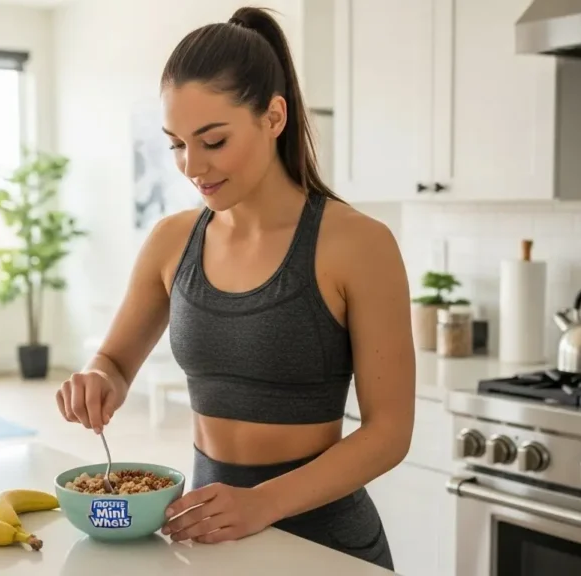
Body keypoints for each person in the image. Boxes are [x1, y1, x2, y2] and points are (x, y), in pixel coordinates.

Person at [55, 6, 414, 570]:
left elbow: (390, 432)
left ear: (274, 117)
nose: (192, 166)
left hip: (326, 549)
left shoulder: (358, 244)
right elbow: (115, 362)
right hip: (210, 540)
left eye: (213, 140)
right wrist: (98, 380)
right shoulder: (172, 241)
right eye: (176, 143)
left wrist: (260, 504)